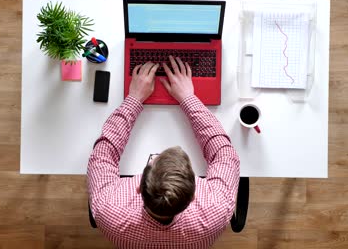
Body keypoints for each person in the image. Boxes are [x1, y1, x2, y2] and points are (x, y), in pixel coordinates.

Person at [87, 56, 240, 248]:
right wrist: (188, 98)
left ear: (138, 188)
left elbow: (103, 154)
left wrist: (134, 99)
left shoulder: (108, 211)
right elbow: (224, 153)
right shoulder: (216, 211)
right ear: (193, 196)